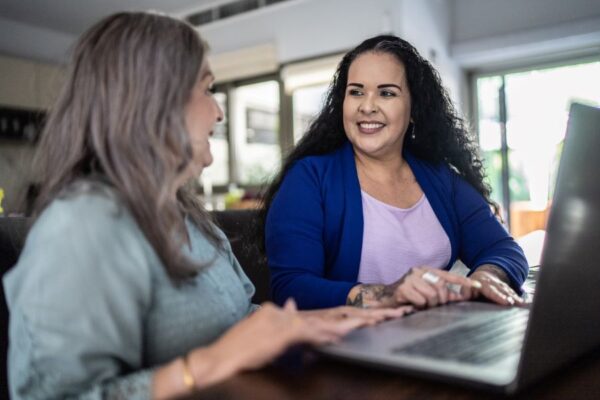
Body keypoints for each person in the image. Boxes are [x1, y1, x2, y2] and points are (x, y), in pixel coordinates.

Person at [2, 14, 411, 400]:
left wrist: (308, 323)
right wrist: (207, 363)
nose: (218, 112)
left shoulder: (188, 216)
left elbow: (237, 316)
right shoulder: (81, 226)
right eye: (206, 89)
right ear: (150, 101)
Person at [260, 35, 528, 310]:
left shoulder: (441, 179)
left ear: (413, 109)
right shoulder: (309, 180)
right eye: (356, 92)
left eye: (387, 93)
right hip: (346, 347)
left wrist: (485, 279)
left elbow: (503, 250)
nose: (367, 106)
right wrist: (389, 294)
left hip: (433, 339)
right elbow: (291, 289)